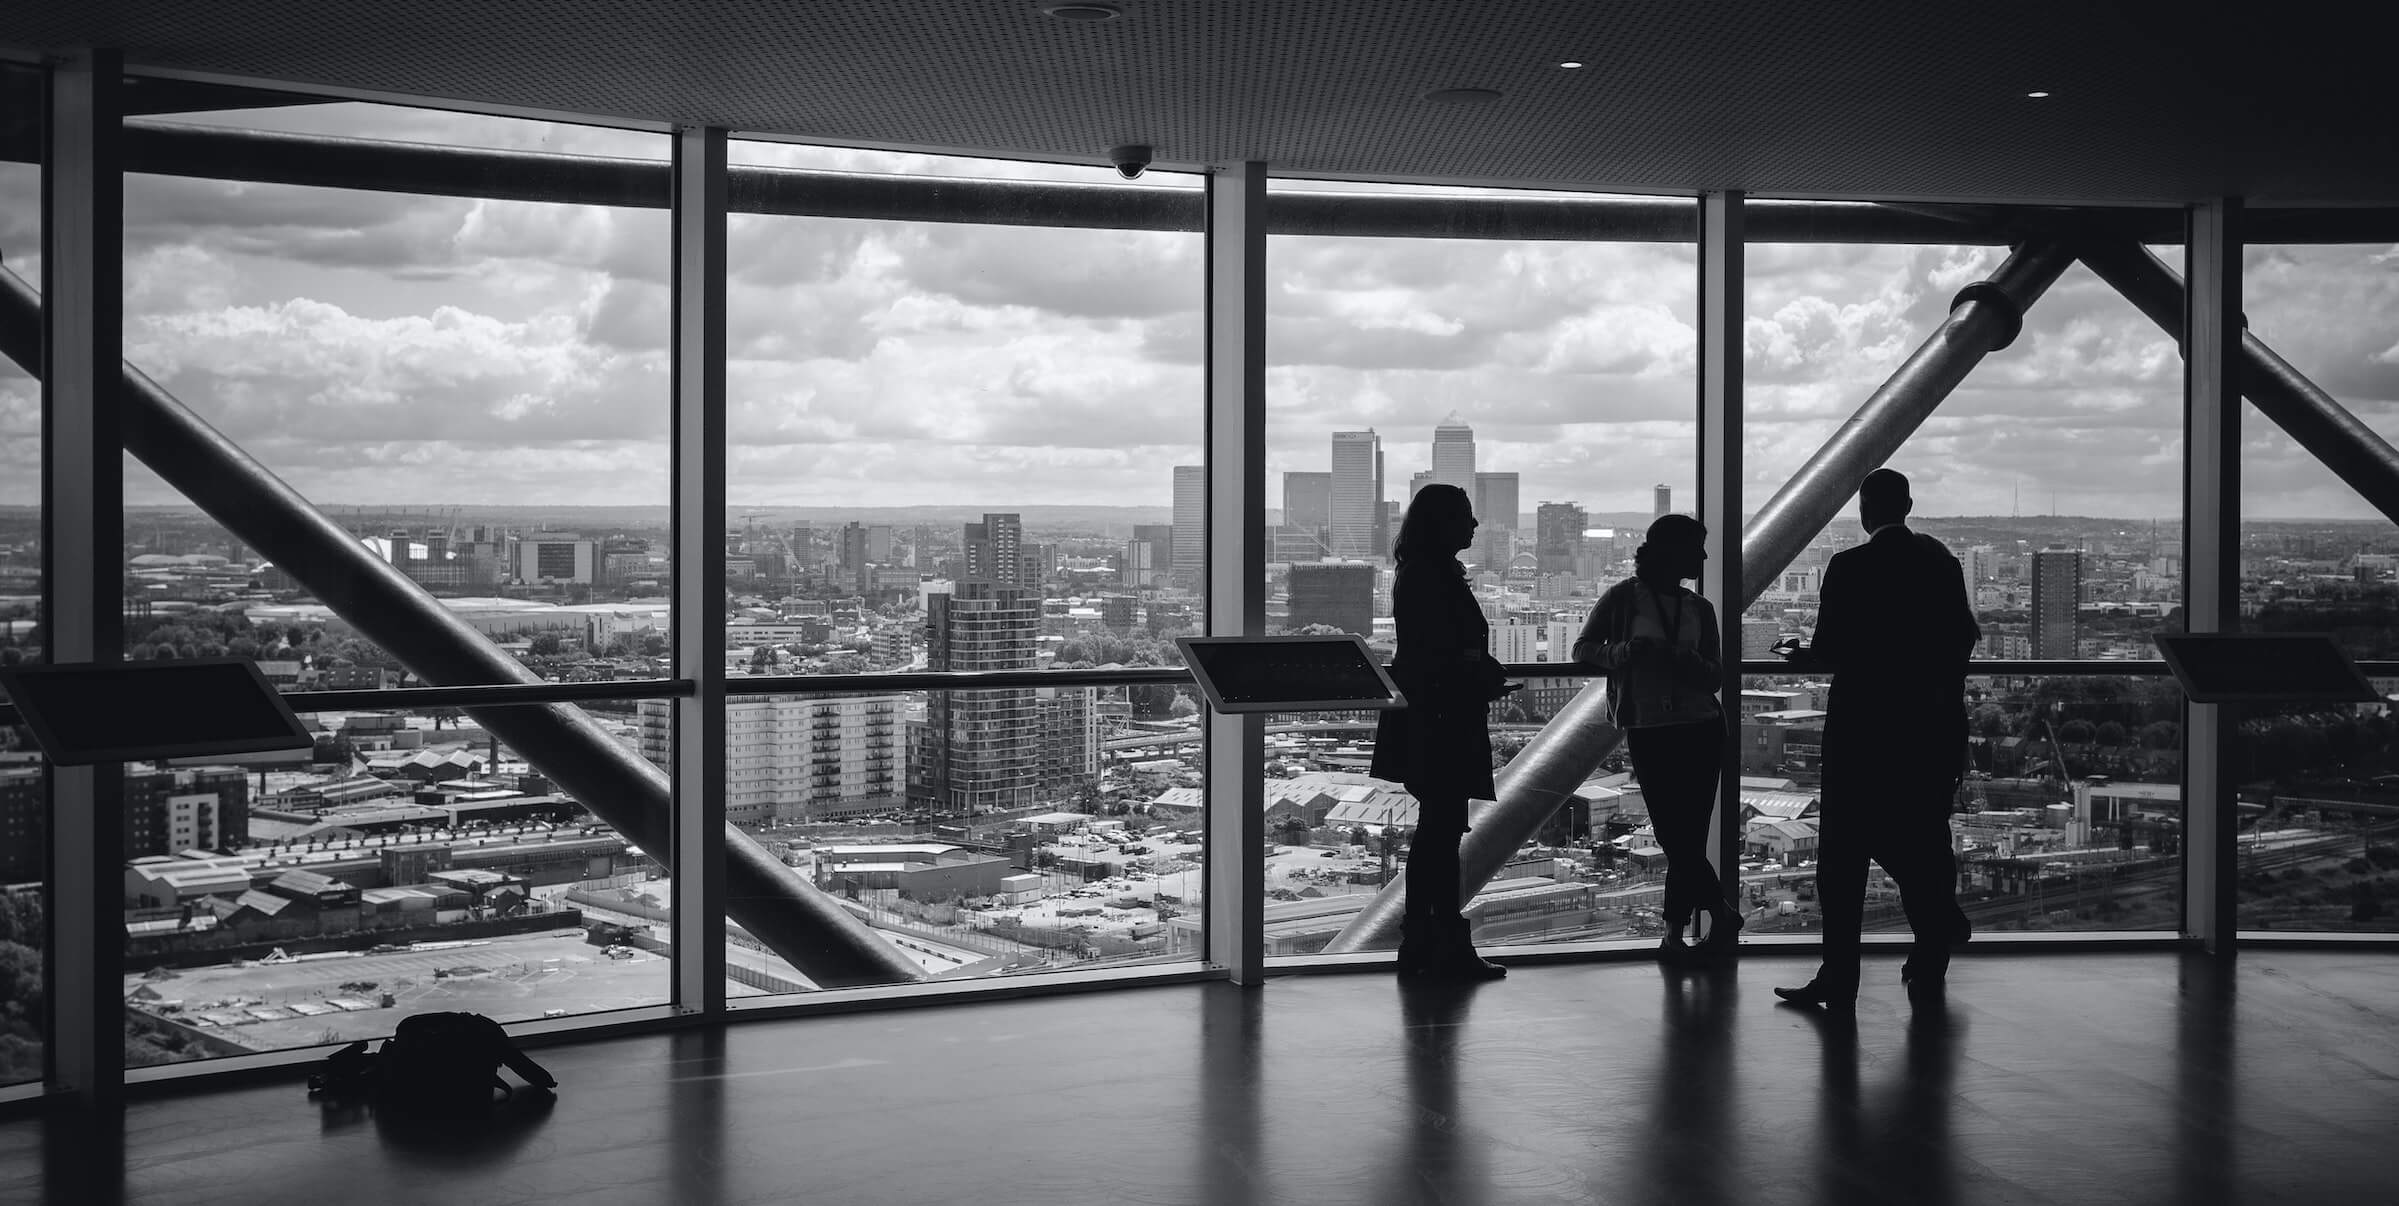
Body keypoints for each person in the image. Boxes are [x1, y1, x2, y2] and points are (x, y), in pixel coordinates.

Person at [1774, 468, 1979, 1010]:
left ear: (1865, 512)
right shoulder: (1942, 564)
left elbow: (1833, 650)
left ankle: (1840, 977)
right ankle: (1933, 947)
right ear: (1908, 505)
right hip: (1931, 727)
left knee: (1843, 858)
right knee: (1925, 835)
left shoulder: (1850, 566)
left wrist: (1801, 657)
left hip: (1864, 729)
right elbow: (1963, 639)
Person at [1573, 514, 1739, 961]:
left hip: (1695, 727)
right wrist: (1626, 652)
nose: (1704, 557)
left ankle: (1673, 935)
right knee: (1676, 835)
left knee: (1683, 836)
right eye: (1697, 548)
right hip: (1658, 727)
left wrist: (1674, 658)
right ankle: (1719, 914)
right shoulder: (1624, 599)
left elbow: (1714, 675)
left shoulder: (1698, 608)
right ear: (1673, 553)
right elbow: (1583, 650)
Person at [1371, 483, 1515, 981]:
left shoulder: (1419, 573)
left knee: (1437, 833)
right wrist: (1478, 672)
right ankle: (1441, 943)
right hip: (1443, 720)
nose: (1475, 526)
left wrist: (1475, 667)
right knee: (1441, 834)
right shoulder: (1433, 576)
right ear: (1443, 523)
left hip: (1430, 717)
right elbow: (1439, 653)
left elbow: (1429, 650)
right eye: (1466, 517)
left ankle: (1424, 942)